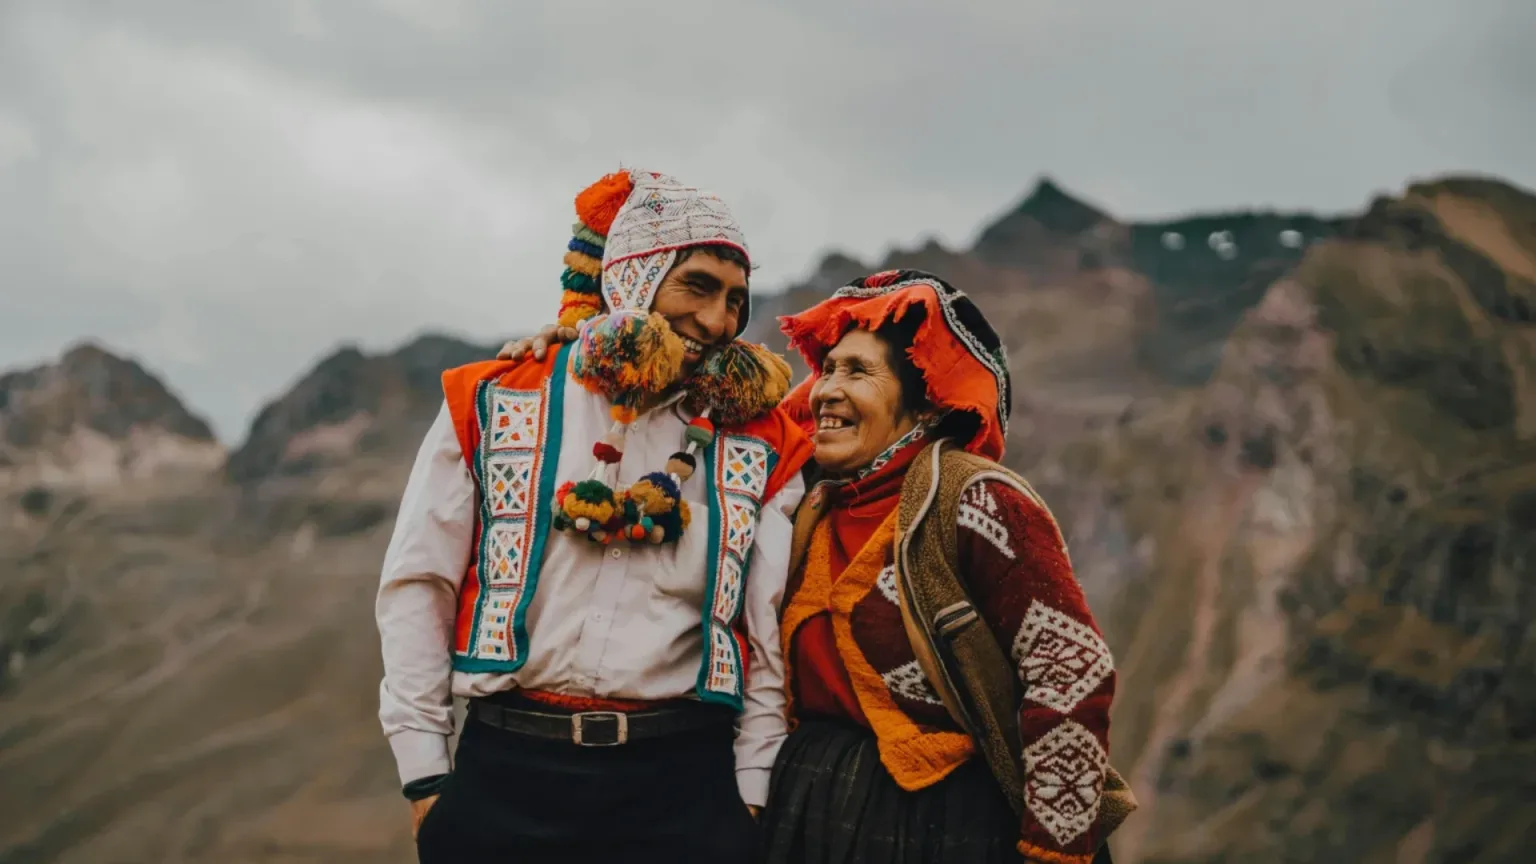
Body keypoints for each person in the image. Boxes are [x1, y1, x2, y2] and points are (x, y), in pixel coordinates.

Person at [500, 268, 1119, 863]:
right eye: (825, 370)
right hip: (808, 805)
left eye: (856, 372)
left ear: (927, 401)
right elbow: (683, 412)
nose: (824, 389)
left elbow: (1069, 668)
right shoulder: (809, 492)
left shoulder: (976, 499)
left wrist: (1055, 844)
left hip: (945, 820)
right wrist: (572, 344)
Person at [377, 168, 813, 864]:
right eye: (696, 285)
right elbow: (418, 584)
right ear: (632, 279)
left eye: (736, 298)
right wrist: (426, 772)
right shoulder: (492, 400)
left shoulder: (760, 443)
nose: (718, 320)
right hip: (503, 779)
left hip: (684, 789)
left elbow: (766, 634)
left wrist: (751, 791)